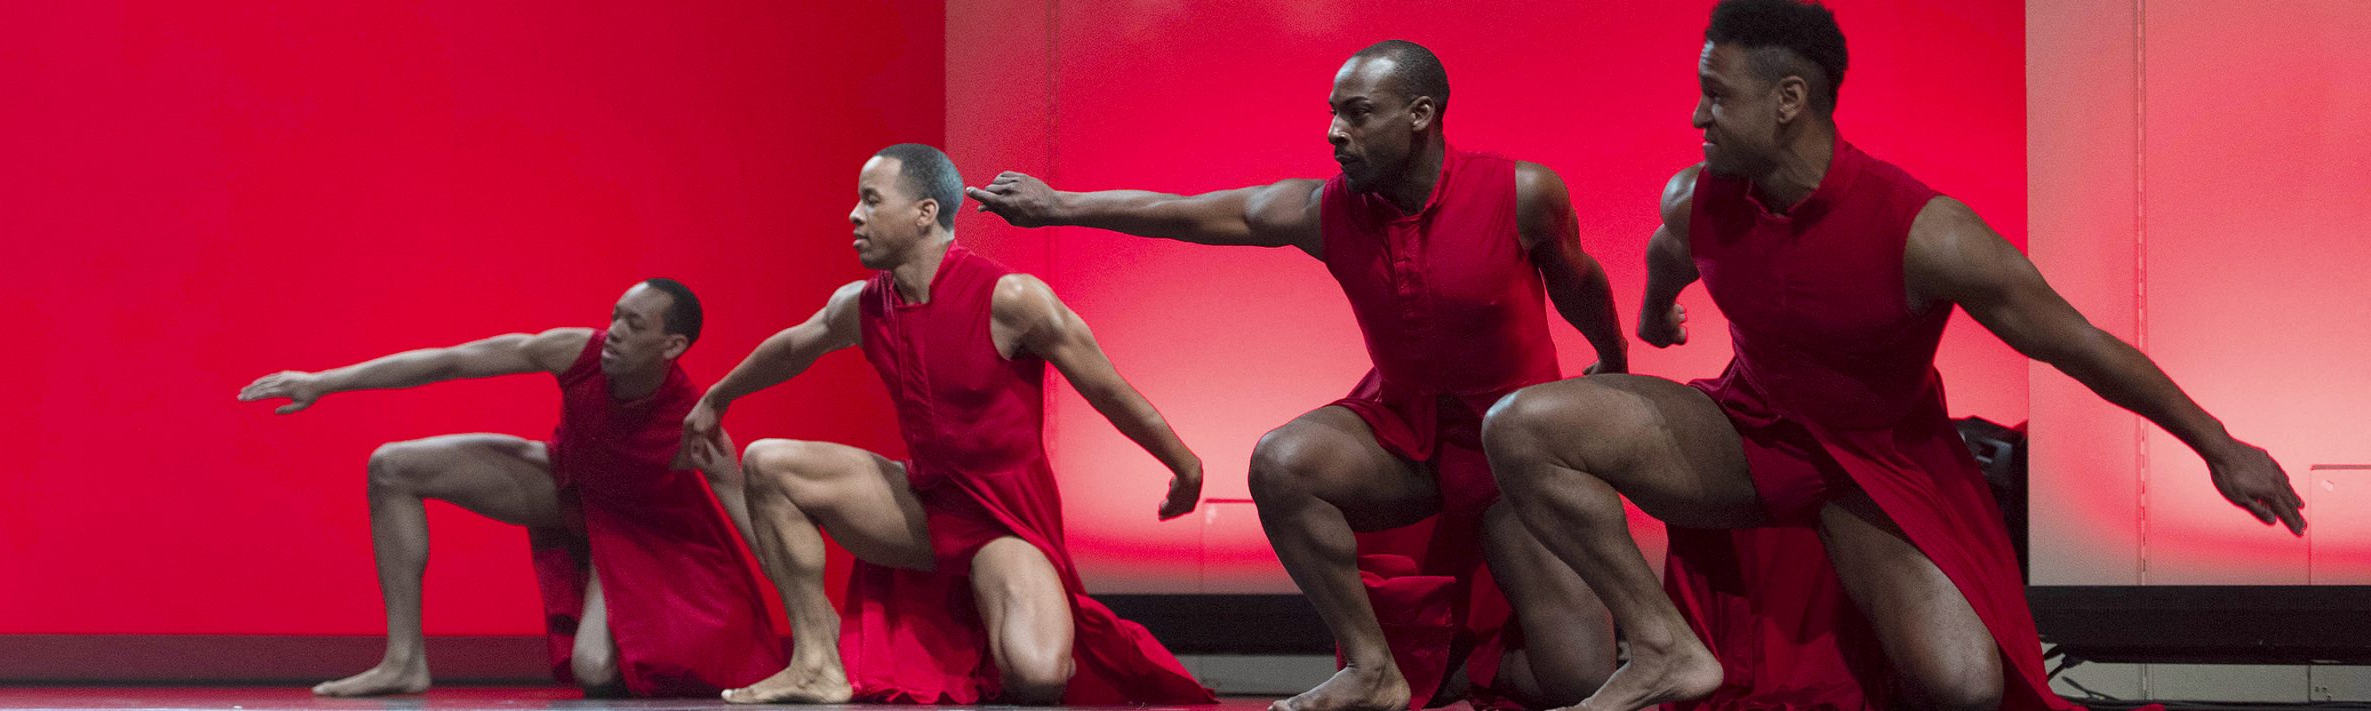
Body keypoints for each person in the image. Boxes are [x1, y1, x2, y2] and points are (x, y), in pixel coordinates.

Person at [1479, 2, 2309, 709]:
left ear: (1788, 101)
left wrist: (2220, 445)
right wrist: (1657, 320)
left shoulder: (1927, 233)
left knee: (1967, 688)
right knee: (1520, 425)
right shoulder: (1697, 197)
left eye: (1715, 96)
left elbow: (2080, 345)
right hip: (1745, 429)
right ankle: (1662, 646)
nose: (1698, 117)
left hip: (1875, 465)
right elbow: (1670, 255)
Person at [967, 40, 1630, 711]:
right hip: (1408, 438)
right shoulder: (1326, 210)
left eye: (1358, 114)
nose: (1335, 132)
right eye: (1333, 113)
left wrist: (1613, 358)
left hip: (1513, 458)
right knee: (1282, 462)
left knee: (1579, 680)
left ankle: (1471, 673)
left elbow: (1581, 282)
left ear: (1420, 115)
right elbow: (1190, 213)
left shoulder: (1523, 193)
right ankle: (1375, 669)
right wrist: (1061, 206)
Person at [682, 143, 1214, 705]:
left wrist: (1185, 465)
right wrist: (717, 398)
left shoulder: (1011, 298)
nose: (853, 215)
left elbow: (1108, 389)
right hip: (922, 505)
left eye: (870, 200)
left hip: (1003, 518)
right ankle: (816, 662)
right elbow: (791, 349)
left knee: (1039, 676)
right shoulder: (863, 305)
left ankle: (984, 614)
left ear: (925, 212)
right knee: (768, 461)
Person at [238, 279, 782, 698]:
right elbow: (451, 361)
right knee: (392, 465)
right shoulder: (576, 351)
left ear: (672, 344)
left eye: (634, 325)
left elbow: (749, 520)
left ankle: (609, 592)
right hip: (570, 492)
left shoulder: (692, 422)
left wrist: (813, 634)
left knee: (593, 669)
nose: (614, 329)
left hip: (642, 537)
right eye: (615, 315)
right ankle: (403, 661)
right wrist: (322, 382)